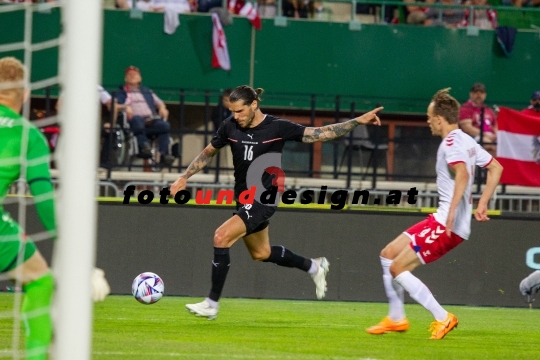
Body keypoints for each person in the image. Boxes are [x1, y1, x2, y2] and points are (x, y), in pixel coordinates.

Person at [170, 85, 383, 319]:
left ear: (253, 105)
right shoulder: (229, 126)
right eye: (232, 111)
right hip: (244, 198)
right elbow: (209, 152)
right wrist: (184, 176)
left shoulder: (278, 127)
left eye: (240, 111)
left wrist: (358, 121)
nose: (235, 116)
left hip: (265, 196)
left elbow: (322, 133)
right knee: (261, 252)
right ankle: (313, 266)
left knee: (221, 237)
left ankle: (212, 303)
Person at [366, 88, 503, 340]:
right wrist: (482, 203)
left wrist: (451, 214)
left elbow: (461, 173)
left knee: (397, 268)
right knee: (388, 255)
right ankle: (396, 317)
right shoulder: (465, 140)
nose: (427, 121)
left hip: (446, 223)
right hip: (441, 219)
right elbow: (496, 167)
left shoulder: (451, 142)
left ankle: (443, 317)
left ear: (440, 118)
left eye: (429, 116)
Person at [0, 57, 110, 359]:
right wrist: (80, 262)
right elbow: (45, 200)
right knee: (40, 279)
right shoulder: (28, 135)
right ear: (23, 95)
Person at [115, 66, 174, 166]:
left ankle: (164, 154)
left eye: (135, 74)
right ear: (126, 78)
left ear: (140, 78)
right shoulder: (122, 92)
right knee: (138, 120)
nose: (132, 76)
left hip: (150, 120)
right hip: (134, 120)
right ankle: (143, 146)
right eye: (130, 75)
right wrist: (125, 107)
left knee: (164, 126)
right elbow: (114, 104)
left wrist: (162, 108)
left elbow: (160, 102)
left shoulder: (146, 91)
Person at [459, 82, 498, 157]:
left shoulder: (488, 109)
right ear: (471, 94)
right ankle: (491, 168)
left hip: (490, 136)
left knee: (504, 146)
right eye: (476, 92)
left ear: (485, 95)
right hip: (472, 138)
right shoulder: (466, 108)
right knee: (489, 145)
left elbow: (496, 125)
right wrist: (485, 135)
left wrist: (495, 135)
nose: (479, 95)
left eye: (481, 93)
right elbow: (467, 128)